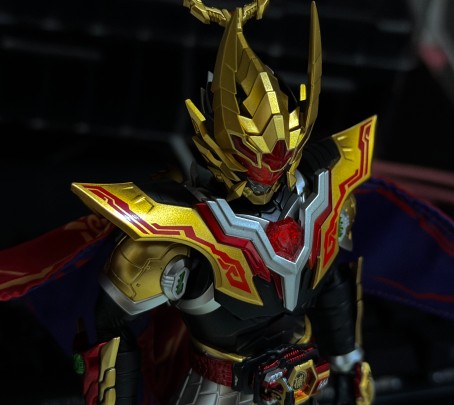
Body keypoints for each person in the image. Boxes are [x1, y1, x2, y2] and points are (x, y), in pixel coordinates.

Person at [70, 1, 376, 404]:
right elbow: (112, 328)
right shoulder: (178, 226)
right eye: (255, 158)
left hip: (303, 381)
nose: (268, 171)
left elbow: (332, 280)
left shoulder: (322, 194)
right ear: (218, 146)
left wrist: (349, 361)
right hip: (221, 389)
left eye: (280, 156)